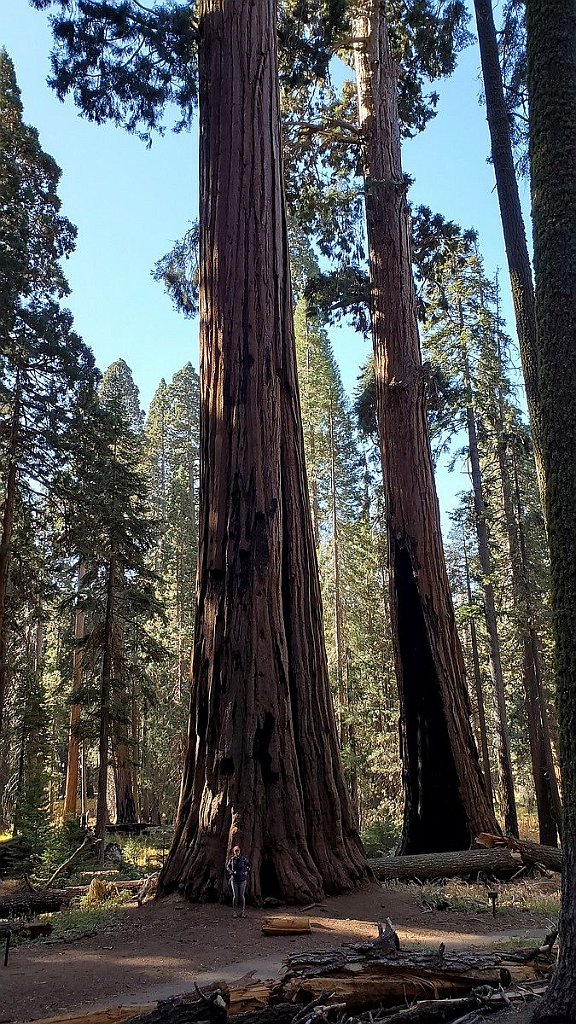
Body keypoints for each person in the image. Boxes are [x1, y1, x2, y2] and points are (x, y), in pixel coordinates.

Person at [226, 844, 250, 918]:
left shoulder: (244, 859)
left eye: (238, 851)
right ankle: (234, 912)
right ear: (233, 852)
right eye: (235, 851)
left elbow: (249, 866)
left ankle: (242, 912)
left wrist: (246, 871)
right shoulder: (232, 859)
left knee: (242, 896)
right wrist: (231, 872)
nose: (237, 852)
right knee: (235, 896)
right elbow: (227, 867)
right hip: (234, 880)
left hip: (242, 880)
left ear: (240, 851)